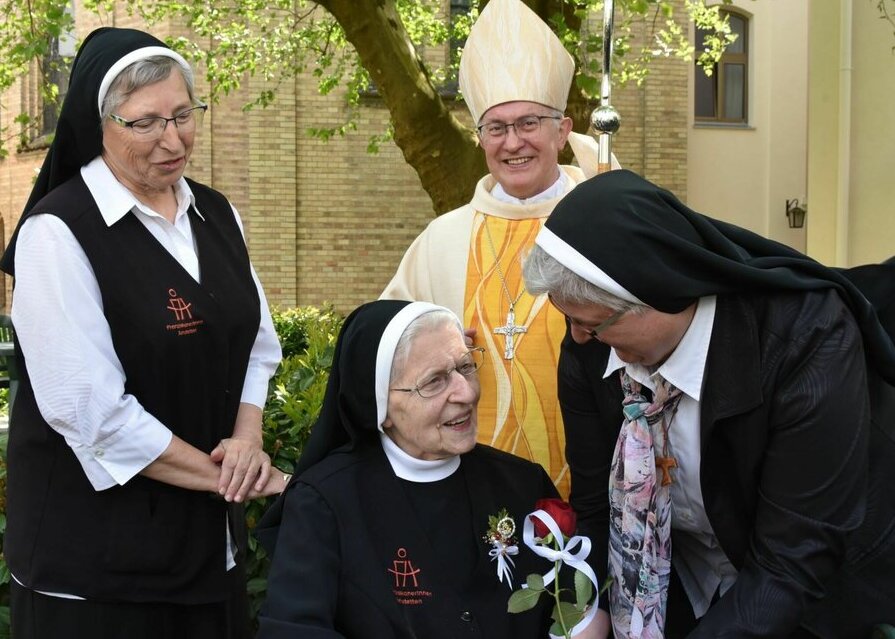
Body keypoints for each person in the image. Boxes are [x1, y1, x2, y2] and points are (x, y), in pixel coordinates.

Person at [521, 169, 895, 638]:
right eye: (569, 320)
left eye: (594, 325)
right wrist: (588, 611)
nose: (577, 338)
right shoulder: (588, 345)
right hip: (685, 590)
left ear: (658, 294)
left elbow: (792, 562)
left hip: (821, 601)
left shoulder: (805, 340)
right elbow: (598, 506)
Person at [1, 27, 285, 639]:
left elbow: (256, 345)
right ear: (99, 123)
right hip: (99, 576)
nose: (173, 138)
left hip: (211, 554)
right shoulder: (57, 235)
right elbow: (91, 411)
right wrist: (234, 479)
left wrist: (247, 438)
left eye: (184, 115)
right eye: (146, 123)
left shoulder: (218, 212)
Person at [382, 0, 619, 499]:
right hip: (467, 489)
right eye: (496, 127)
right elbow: (385, 347)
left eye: (529, 122)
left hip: (600, 480)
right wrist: (428, 343)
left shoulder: (609, 220)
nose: (513, 142)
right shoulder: (442, 239)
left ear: (563, 129)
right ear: (481, 137)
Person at [256, 300, 602, 638]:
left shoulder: (523, 483)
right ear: (381, 406)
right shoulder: (324, 502)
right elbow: (294, 627)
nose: (465, 393)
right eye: (434, 381)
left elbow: (575, 601)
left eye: (466, 367)